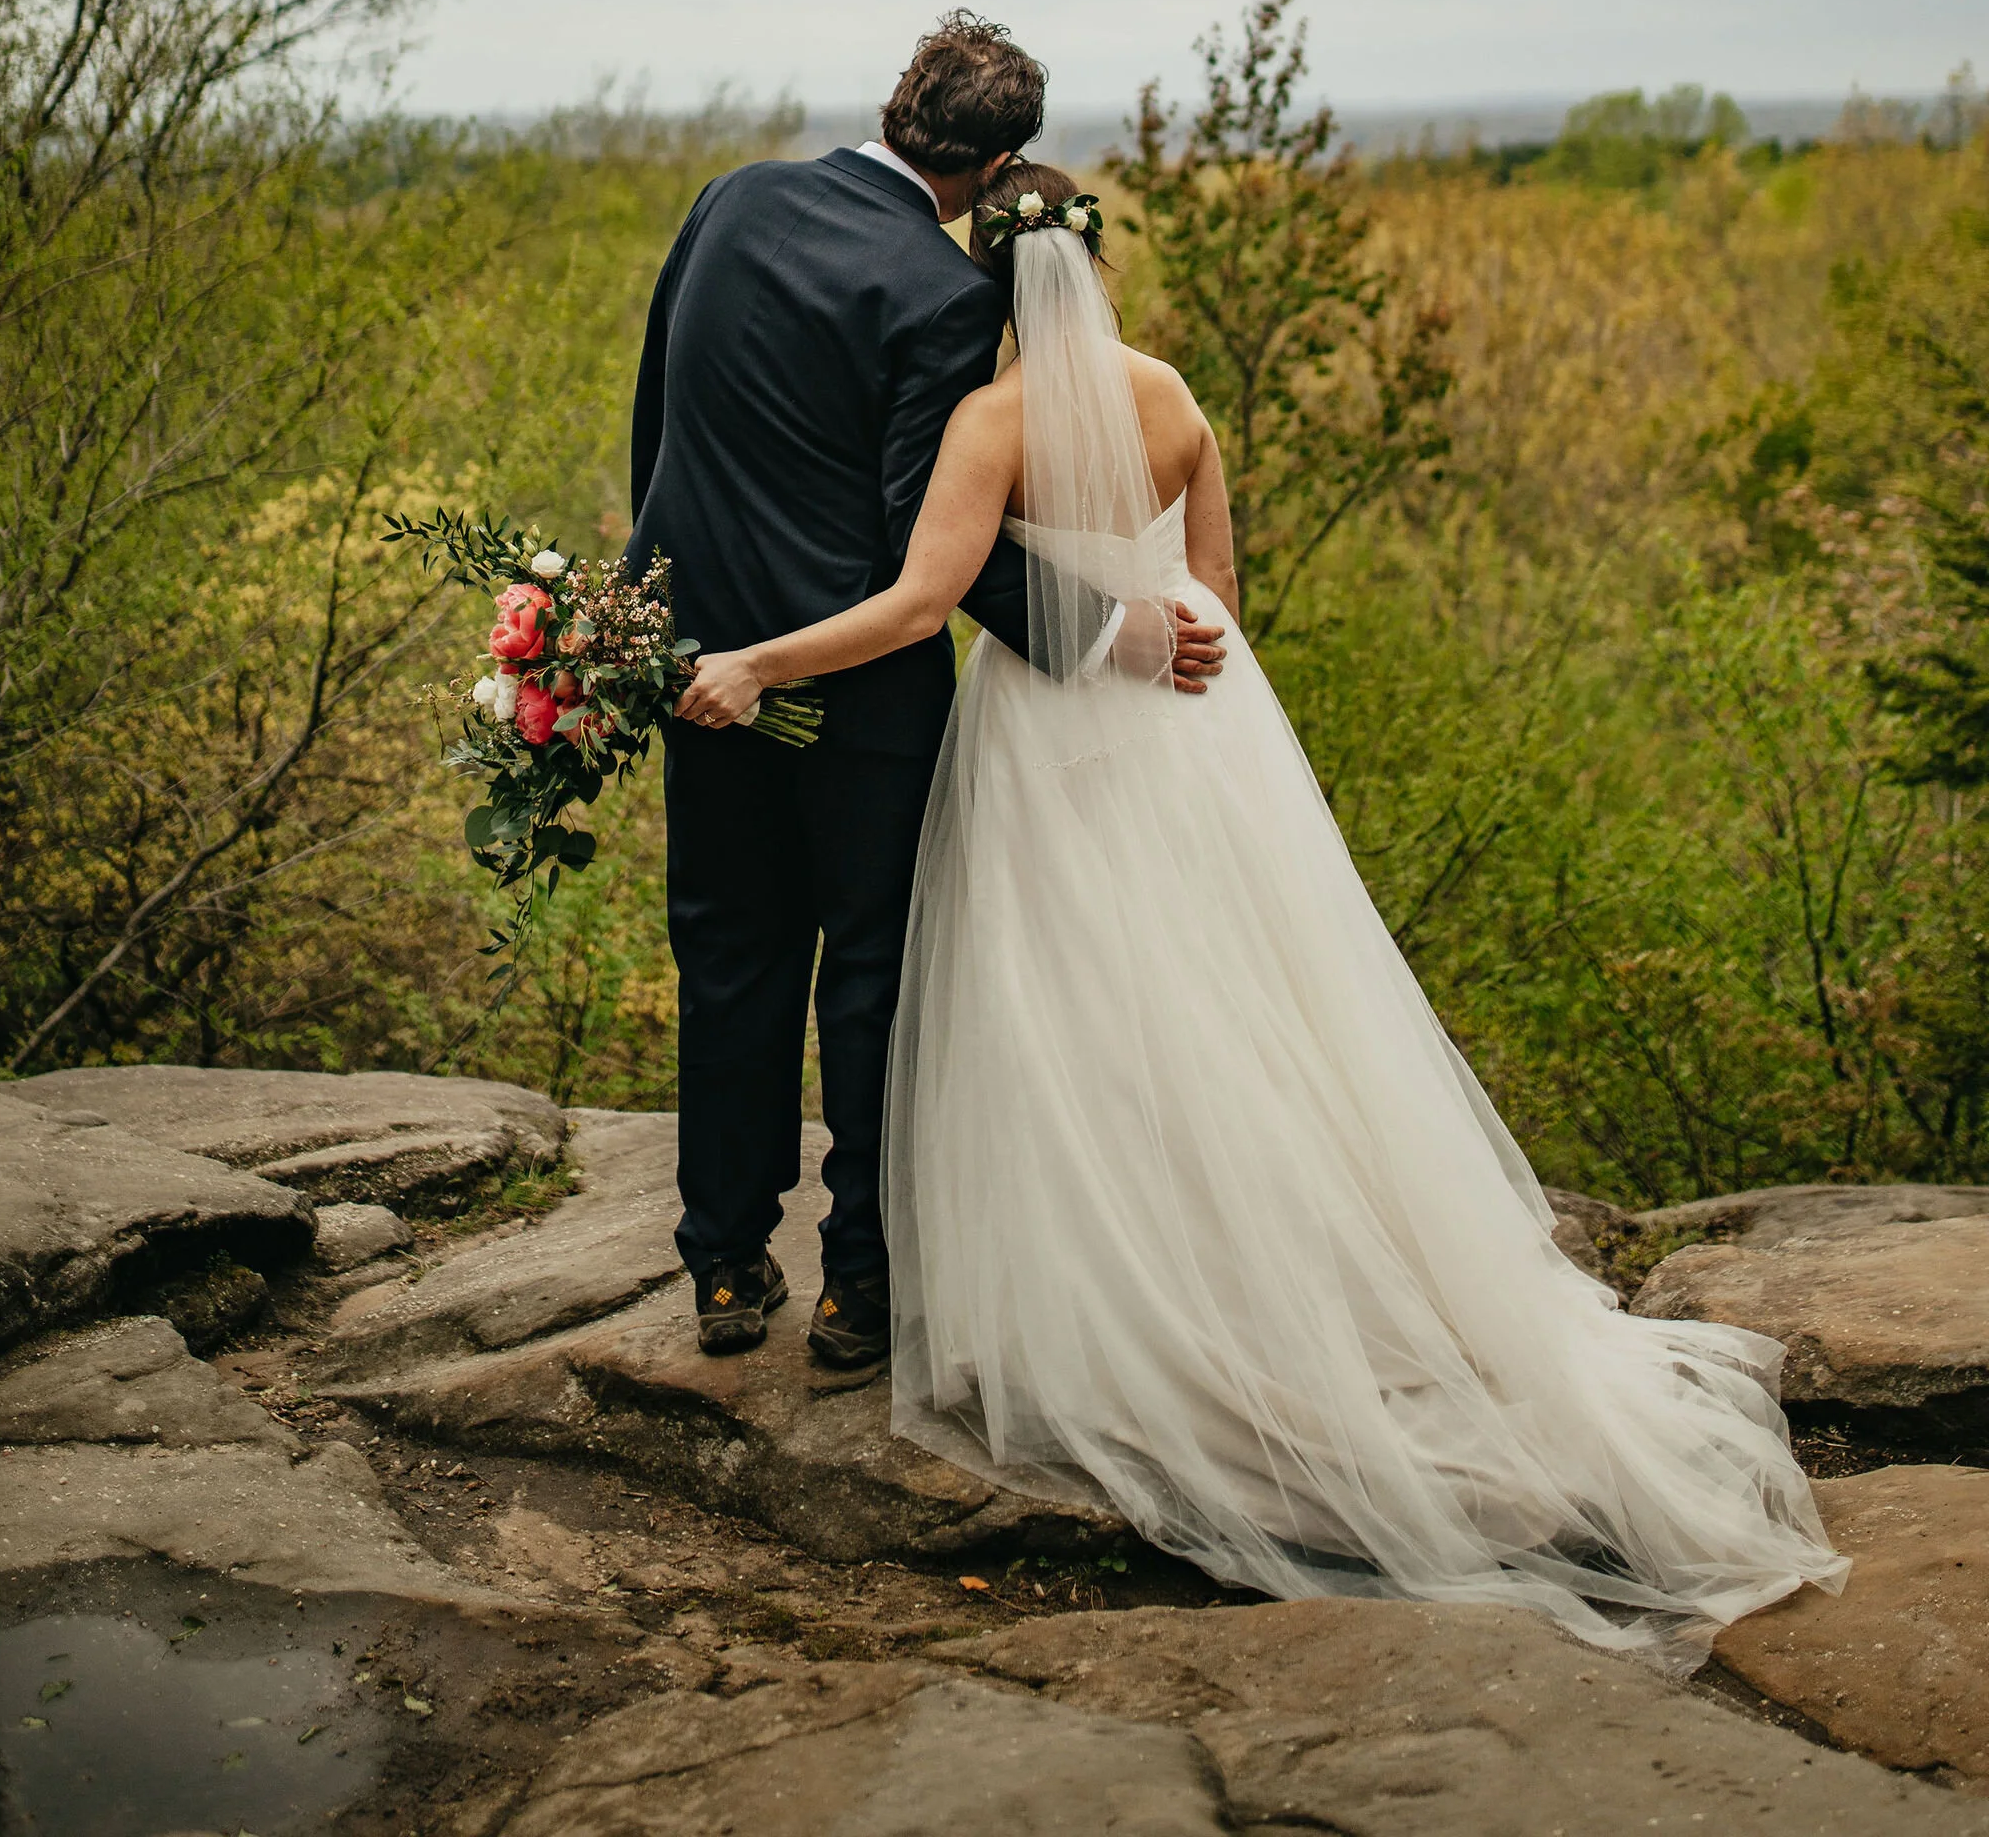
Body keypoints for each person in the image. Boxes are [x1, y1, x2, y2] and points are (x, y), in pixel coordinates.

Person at [676, 157, 1849, 1661]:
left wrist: (761, 661)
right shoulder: (1174, 399)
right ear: (1100, 266)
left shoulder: (987, 419)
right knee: (1236, 1002)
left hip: (1043, 737)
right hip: (1197, 737)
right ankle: (1273, 1256)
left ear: (990, 280)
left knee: (1065, 1008)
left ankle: (1102, 1285)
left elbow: (919, 608)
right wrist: (1174, 673)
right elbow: (1218, 591)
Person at [629, 18, 1226, 1370]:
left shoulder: (731, 202)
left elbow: (658, 421)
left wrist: (643, 616)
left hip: (701, 666)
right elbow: (928, 547)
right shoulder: (949, 294)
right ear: (999, 158)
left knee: (727, 957)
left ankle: (724, 1268)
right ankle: (859, 1289)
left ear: (894, 106)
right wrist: (1101, 631)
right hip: (866, 697)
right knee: (876, 982)